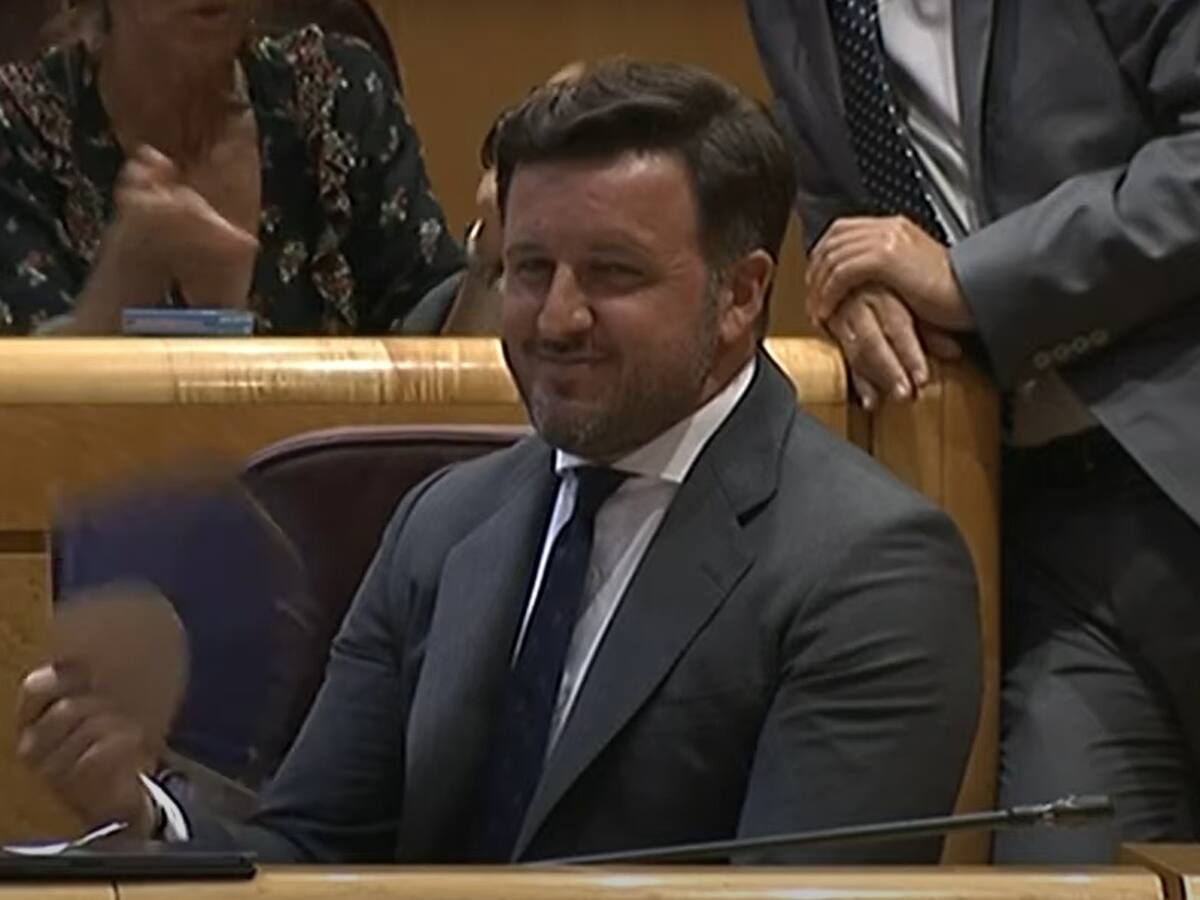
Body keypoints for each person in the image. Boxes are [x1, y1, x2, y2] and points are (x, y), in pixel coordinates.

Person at [16, 60, 981, 864]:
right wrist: (144, 812)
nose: (557, 319)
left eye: (613, 274)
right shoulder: (442, 521)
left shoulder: (869, 566)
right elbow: (311, 852)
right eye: (530, 270)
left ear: (739, 296)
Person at [747, 0, 1200, 863]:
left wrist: (976, 279)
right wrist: (856, 284)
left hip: (1176, 455)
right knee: (1062, 871)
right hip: (1043, 539)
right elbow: (840, 205)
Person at [0, 0, 463, 335]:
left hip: (333, 447)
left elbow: (442, 346)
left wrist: (491, 265)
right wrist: (121, 293)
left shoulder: (339, 95)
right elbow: (25, 414)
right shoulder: (19, 126)